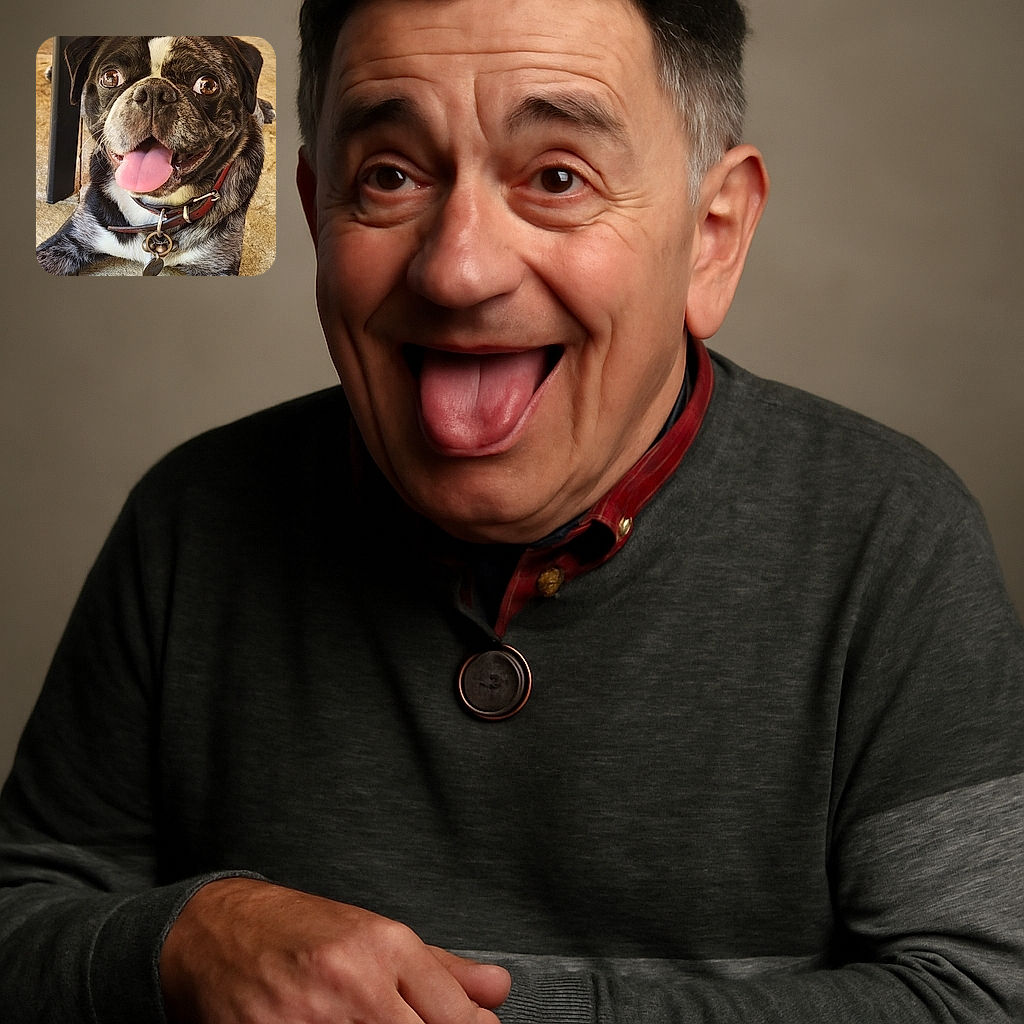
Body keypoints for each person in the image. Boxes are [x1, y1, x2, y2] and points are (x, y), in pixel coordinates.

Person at [2, 0, 1022, 1020]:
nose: (459, 269)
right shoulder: (193, 521)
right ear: (315, 214)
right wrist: (183, 939)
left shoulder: (889, 537)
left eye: (557, 178)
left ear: (711, 238)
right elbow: (23, 919)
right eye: (389, 177)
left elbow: (979, 994)